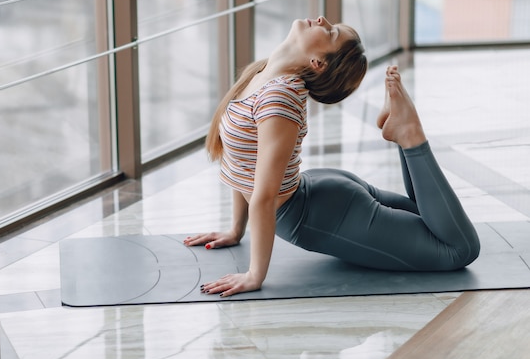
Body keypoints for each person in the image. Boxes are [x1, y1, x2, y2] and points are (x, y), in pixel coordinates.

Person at [183, 16, 480, 298]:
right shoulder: (260, 75)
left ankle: (410, 134)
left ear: (318, 62)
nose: (323, 20)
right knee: (434, 222)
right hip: (321, 199)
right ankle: (404, 133)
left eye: (331, 32)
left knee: (458, 249)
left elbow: (263, 196)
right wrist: (236, 229)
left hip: (322, 212)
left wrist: (254, 275)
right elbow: (243, 161)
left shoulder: (278, 96)